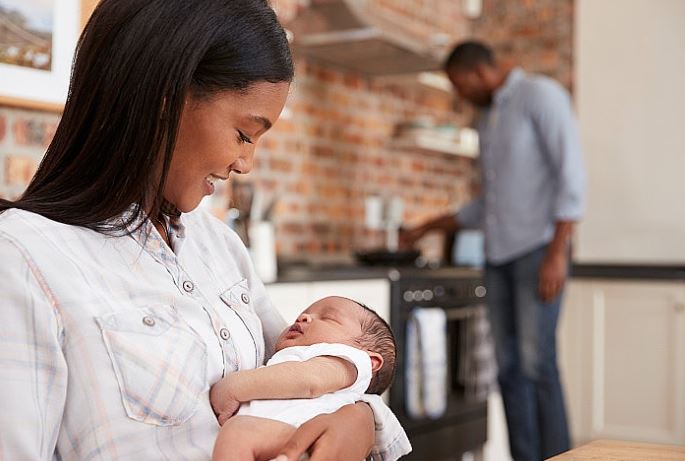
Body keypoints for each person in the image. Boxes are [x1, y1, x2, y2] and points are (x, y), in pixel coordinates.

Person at [0, 1, 410, 460]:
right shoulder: (24, 257)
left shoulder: (219, 246)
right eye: (244, 134)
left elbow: (322, 369)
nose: (246, 164)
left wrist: (360, 420)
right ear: (164, 99)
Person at [400, 41, 585, 461]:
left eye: (458, 86)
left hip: (539, 252)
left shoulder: (540, 96)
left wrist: (558, 253)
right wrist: (425, 227)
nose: (459, 95)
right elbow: (488, 205)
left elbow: (571, 179)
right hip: (498, 258)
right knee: (509, 371)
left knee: (538, 366)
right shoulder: (488, 120)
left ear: (476, 74)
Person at [210, 296, 397, 461]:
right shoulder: (286, 359)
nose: (304, 317)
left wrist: (233, 388)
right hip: (280, 443)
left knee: (238, 433)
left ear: (371, 361)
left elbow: (312, 380)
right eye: (303, 314)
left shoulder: (350, 360)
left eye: (328, 317)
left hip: (310, 443)